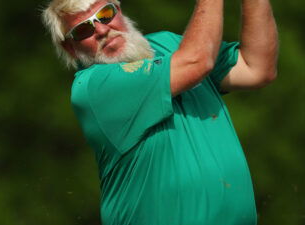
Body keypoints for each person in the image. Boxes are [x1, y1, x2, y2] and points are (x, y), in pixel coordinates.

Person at [42, 0, 278, 224]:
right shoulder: (93, 87)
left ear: (119, 10)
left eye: (106, 14)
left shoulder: (169, 45)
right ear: (70, 48)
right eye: (84, 30)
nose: (102, 30)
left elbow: (257, 69)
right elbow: (197, 62)